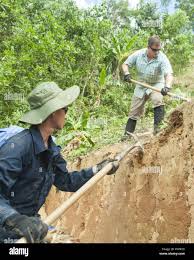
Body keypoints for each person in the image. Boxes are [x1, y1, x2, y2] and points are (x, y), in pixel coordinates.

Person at [0, 82, 118, 243]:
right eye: (65, 109)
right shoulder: (17, 147)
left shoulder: (51, 148)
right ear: (54, 112)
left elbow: (65, 181)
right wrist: (16, 220)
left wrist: (98, 169)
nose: (66, 114)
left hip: (33, 228)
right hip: (8, 233)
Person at [122, 35, 173, 137]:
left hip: (156, 83)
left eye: (158, 50)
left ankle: (158, 131)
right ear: (148, 47)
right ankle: (127, 136)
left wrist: (167, 86)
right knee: (134, 110)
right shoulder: (139, 54)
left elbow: (169, 74)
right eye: (154, 50)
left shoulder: (162, 58)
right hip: (142, 84)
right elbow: (125, 64)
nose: (157, 52)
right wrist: (127, 73)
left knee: (157, 99)